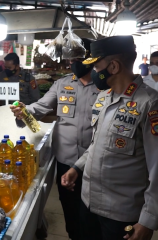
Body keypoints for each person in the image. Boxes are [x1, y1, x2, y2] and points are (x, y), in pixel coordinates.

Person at [61, 36, 158, 240]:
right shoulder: (104, 97)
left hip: (121, 214)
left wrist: (148, 219)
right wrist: (77, 167)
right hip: (88, 203)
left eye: (97, 66)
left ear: (113, 66)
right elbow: (98, 143)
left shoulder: (149, 104)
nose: (94, 71)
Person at [10, 39, 99, 240]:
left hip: (93, 160)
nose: (73, 63)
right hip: (65, 160)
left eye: (78, 58)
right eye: (71, 59)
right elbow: (40, 107)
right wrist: (23, 112)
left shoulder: (104, 86)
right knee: (70, 210)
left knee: (92, 214)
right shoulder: (62, 84)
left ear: (91, 59)